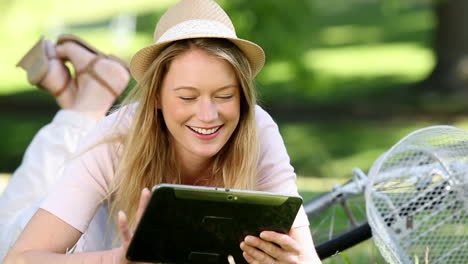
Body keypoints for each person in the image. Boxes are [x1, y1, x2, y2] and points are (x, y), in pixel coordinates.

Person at [2, 0, 322, 263]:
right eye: (187, 97)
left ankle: (83, 96)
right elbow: (20, 258)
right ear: (155, 96)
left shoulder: (258, 130)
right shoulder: (117, 138)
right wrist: (117, 260)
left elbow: (307, 258)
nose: (208, 116)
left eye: (225, 95)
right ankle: (87, 103)